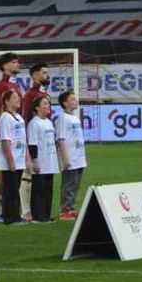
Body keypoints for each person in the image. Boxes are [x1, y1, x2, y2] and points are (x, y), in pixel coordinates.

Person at [0, 53, 23, 223]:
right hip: (3, 136)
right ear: (5, 65)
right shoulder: (2, 86)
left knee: (12, 172)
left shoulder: (13, 84)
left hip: (15, 136)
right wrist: (1, 136)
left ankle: (11, 209)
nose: (18, 64)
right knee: (2, 173)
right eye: (14, 62)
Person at [55, 91, 87, 221]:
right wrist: (65, 158)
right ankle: (65, 210)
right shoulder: (62, 118)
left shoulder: (75, 118)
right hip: (71, 158)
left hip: (79, 157)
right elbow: (61, 139)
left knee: (76, 184)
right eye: (72, 99)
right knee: (68, 185)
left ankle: (71, 208)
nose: (76, 101)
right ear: (65, 103)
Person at [26, 95, 58, 223]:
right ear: (37, 108)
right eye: (44, 104)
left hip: (50, 161)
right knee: (39, 190)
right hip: (41, 161)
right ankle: (38, 215)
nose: (47, 106)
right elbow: (32, 143)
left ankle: (46, 214)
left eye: (48, 104)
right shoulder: (34, 123)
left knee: (48, 189)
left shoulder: (49, 122)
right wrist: (35, 160)